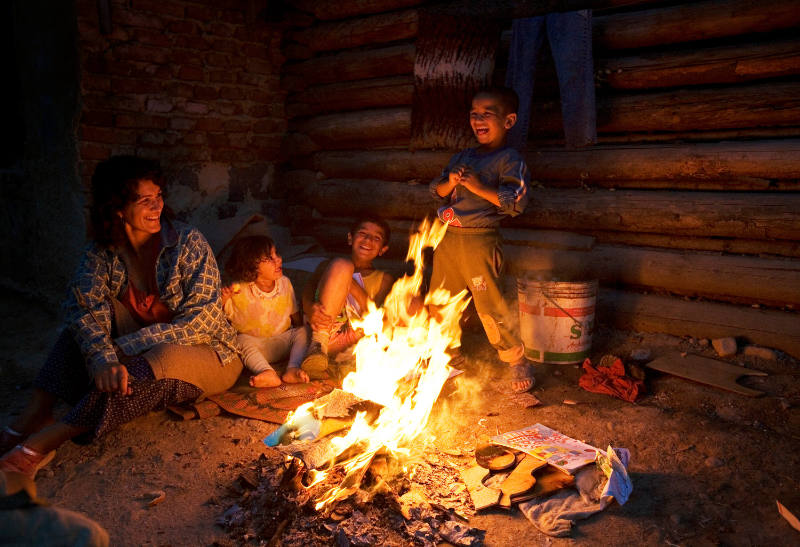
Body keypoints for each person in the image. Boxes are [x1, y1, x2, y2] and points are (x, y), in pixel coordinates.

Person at [0, 155, 243, 479]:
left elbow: (201, 321)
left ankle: (47, 440)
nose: (156, 207)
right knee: (82, 329)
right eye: (145, 200)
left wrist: (122, 348)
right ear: (117, 208)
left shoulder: (187, 242)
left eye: (158, 197)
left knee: (155, 359)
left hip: (209, 353)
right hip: (137, 346)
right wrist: (102, 357)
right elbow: (82, 306)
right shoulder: (102, 251)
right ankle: (34, 416)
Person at [429, 86, 534, 392]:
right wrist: (450, 182)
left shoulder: (509, 159)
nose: (478, 119)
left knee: (490, 304)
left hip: (480, 242)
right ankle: (448, 356)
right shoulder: (462, 157)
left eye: (487, 113)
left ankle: (516, 359)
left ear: (509, 121)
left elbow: (516, 202)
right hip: (448, 240)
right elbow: (436, 192)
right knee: (439, 301)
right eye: (474, 113)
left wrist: (476, 186)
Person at [300, 215, 395, 378]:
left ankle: (336, 363)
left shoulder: (383, 279)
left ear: (382, 249)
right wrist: (310, 309)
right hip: (321, 331)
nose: (368, 240)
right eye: (363, 233)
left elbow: (372, 315)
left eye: (376, 238)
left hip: (352, 342)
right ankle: (317, 348)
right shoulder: (330, 266)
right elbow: (308, 290)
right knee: (342, 265)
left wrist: (351, 284)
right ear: (350, 238)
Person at [221, 236, 310, 387]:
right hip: (254, 346)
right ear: (251, 266)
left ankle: (292, 368)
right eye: (269, 258)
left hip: (282, 342)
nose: (279, 260)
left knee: (303, 332)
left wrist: (303, 330)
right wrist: (224, 297)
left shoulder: (285, 283)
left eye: (277, 254)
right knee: (240, 340)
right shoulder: (238, 290)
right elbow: (220, 314)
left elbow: (294, 314)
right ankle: (266, 371)